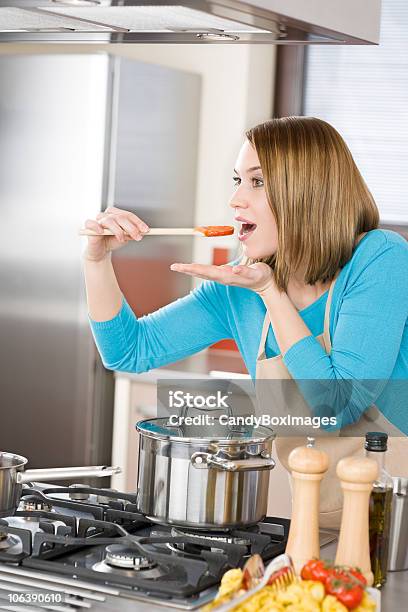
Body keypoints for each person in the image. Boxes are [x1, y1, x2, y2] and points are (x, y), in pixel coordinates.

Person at [83, 116, 408, 526]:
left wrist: (270, 293)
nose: (236, 200)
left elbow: (337, 405)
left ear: (307, 191)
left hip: (395, 518)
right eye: (236, 181)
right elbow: (127, 352)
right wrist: (97, 260)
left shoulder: (380, 258)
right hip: (315, 517)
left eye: (256, 182)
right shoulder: (238, 286)